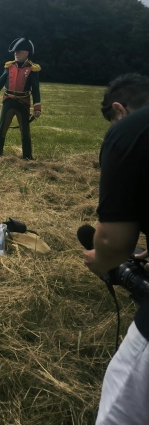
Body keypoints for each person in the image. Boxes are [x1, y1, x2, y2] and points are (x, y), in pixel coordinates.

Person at [83, 73, 149, 425]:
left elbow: (112, 241)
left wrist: (101, 260)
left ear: (119, 110)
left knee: (120, 407)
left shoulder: (129, 130)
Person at [0, 37, 41, 160]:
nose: (16, 54)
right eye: (15, 52)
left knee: (25, 132)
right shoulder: (9, 67)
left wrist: (37, 107)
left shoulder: (32, 69)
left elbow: (35, 90)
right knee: (1, 129)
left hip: (23, 102)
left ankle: (27, 156)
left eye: (18, 52)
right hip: (8, 101)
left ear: (26, 53)